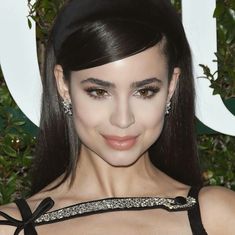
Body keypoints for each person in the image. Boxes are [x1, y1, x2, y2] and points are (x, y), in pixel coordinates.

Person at [0, 0, 235, 234]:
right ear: (63, 85)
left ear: (171, 86)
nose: (123, 120)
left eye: (144, 92)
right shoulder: (10, 228)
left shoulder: (219, 216)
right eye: (99, 92)